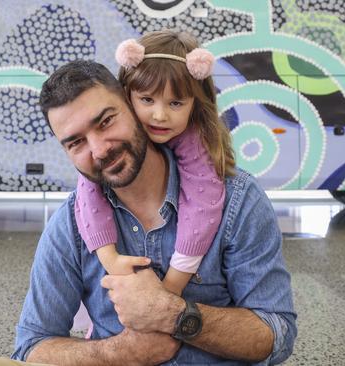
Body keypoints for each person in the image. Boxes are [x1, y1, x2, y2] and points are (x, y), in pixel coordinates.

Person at [0, 34, 296, 365]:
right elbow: (32, 346)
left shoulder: (237, 201)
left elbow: (276, 335)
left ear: (130, 106)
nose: (100, 149)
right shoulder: (71, 223)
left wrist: (173, 314)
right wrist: (124, 352)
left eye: (106, 121)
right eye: (76, 142)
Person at [75, 31, 231, 297]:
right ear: (126, 94)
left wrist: (169, 290)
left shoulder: (195, 140)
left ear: (194, 105)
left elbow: (202, 208)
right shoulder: (110, 139)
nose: (160, 115)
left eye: (176, 103)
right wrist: (109, 257)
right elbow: (89, 190)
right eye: (147, 99)